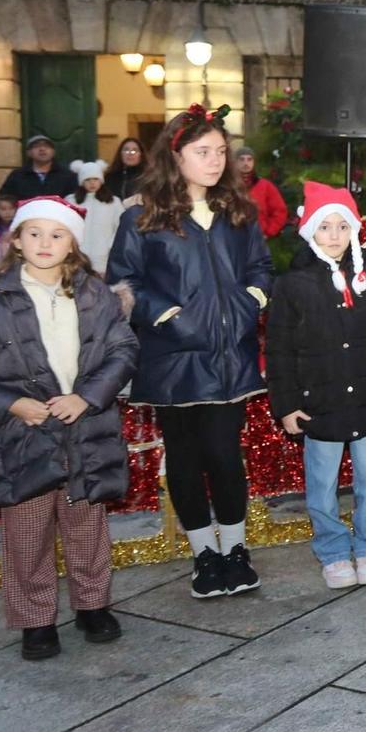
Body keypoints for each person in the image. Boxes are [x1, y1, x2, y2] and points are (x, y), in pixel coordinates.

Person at [0, 197, 139, 661]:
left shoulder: (96, 294)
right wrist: (9, 403)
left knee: (87, 525)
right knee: (27, 531)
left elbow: (123, 351)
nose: (45, 243)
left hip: (84, 429)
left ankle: (93, 605)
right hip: (21, 436)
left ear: (73, 244)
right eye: (35, 233)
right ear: (16, 240)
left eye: (57, 234)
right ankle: (35, 619)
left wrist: (87, 396)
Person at [105, 103, 273, 599]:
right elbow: (122, 282)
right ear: (176, 155)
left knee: (224, 455)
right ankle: (204, 554)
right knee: (183, 457)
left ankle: (236, 549)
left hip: (229, 355)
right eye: (204, 152)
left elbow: (262, 270)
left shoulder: (238, 214)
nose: (216, 160)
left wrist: (249, 305)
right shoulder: (142, 216)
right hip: (172, 358)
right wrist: (168, 317)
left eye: (220, 151)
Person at [268, 182, 366, 590]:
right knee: (322, 485)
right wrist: (287, 403)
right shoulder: (293, 283)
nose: (334, 236)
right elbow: (278, 348)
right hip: (321, 401)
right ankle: (332, 552)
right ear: (310, 230)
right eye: (325, 227)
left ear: (354, 229)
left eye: (342, 227)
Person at [69, 160, 124, 275]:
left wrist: (111, 246)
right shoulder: (72, 201)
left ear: (101, 180)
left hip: (104, 255)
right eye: (88, 180)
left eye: (95, 179)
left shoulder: (113, 202)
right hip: (79, 254)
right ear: (81, 181)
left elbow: (120, 226)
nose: (92, 183)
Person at [0, 134, 79, 201]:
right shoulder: (17, 175)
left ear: (53, 152)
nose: (42, 149)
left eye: (47, 146)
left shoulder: (67, 176)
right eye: (37, 146)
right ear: (29, 153)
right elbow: (4, 200)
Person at [233, 146, 289, 239]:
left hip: (258, 240)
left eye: (249, 159)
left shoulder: (265, 186)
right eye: (241, 160)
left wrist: (268, 232)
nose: (246, 163)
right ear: (235, 162)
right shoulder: (228, 186)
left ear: (254, 162)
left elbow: (280, 211)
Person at [105, 137, 147, 201]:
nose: (130, 153)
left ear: (141, 154)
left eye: (134, 151)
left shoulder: (148, 177)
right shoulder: (110, 177)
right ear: (120, 154)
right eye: (126, 150)